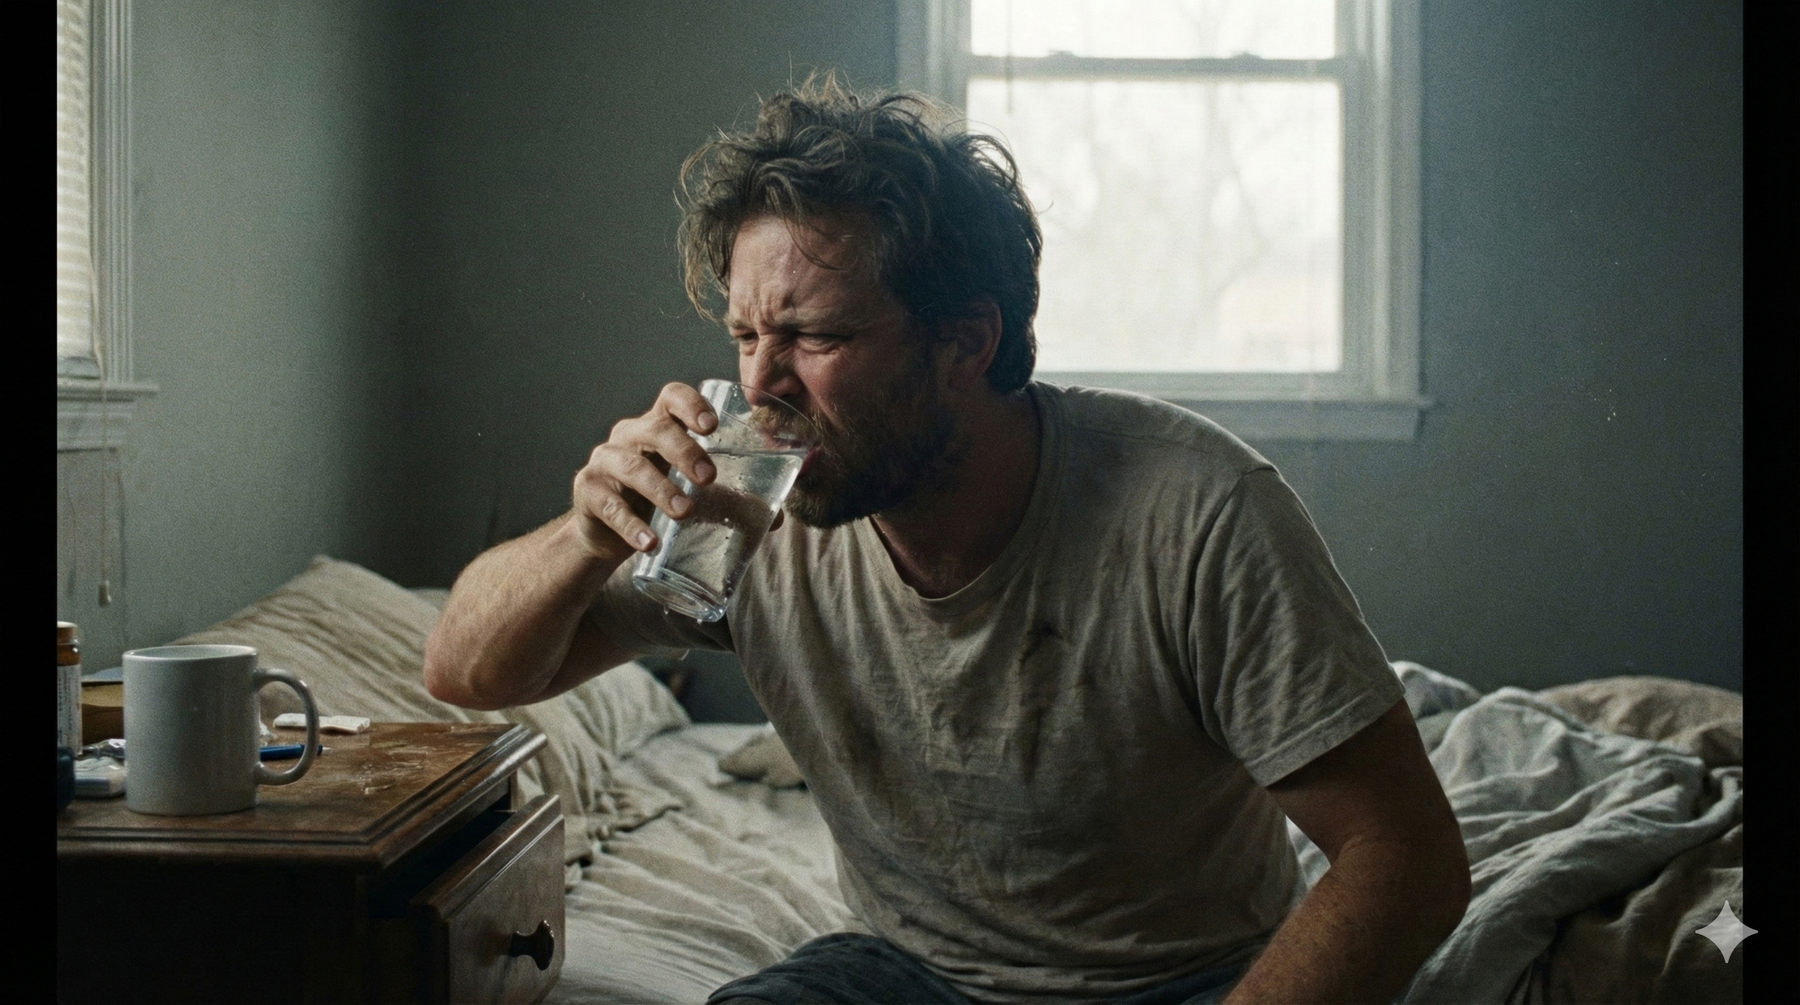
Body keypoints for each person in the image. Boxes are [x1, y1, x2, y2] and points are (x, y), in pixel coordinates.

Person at [423, 75, 1469, 1005]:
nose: (758, 385)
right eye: (746, 335)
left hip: (1183, 978)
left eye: (816, 336)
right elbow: (464, 670)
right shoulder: (751, 508)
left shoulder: (1194, 508)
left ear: (966, 341)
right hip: (908, 973)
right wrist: (586, 532)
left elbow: (1404, 853)